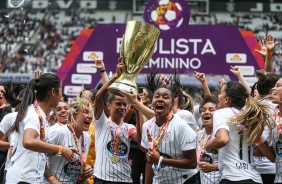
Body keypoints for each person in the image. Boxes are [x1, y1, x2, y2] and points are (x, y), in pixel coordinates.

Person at [5, 73, 77, 184]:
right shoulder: (34, 114)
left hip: (29, 178)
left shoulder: (40, 114)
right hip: (22, 179)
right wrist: (60, 149)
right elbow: (28, 141)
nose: (61, 95)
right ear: (53, 92)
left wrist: (60, 151)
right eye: (60, 90)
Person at [205, 81, 274, 184]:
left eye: (220, 93)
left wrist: (208, 146)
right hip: (255, 179)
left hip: (233, 178)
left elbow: (222, 139)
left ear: (227, 99)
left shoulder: (221, 113)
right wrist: (255, 141)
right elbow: (272, 157)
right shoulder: (250, 116)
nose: (218, 96)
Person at [136, 70, 198, 184]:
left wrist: (161, 160)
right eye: (157, 96)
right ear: (152, 101)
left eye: (165, 97)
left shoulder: (181, 125)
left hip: (185, 180)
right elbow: (150, 160)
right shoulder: (147, 126)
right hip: (161, 181)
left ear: (171, 104)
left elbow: (192, 163)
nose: (160, 99)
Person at [93, 57, 139, 184]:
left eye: (125, 104)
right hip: (103, 179)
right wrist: (116, 76)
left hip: (124, 179)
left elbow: (141, 141)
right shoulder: (101, 122)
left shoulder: (129, 128)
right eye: (118, 104)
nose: (122, 107)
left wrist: (138, 108)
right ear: (108, 105)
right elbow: (98, 96)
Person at [44, 97, 93, 183]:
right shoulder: (59, 132)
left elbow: (75, 167)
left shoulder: (86, 137)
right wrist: (52, 180)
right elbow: (39, 157)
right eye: (85, 112)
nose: (90, 116)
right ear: (74, 114)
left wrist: (84, 172)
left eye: (91, 113)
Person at [197, 96, 220, 184]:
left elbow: (231, 163)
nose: (206, 112)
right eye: (203, 110)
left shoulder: (222, 135)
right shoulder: (199, 135)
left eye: (211, 110)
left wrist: (213, 167)